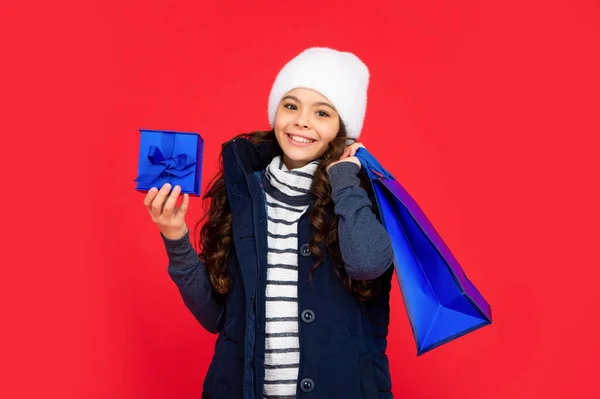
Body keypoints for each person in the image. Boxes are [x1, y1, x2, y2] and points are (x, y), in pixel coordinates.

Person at [143, 47, 395, 399]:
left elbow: (367, 264)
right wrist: (175, 237)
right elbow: (216, 317)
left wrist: (345, 180)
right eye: (290, 105)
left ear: (342, 128)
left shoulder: (358, 197)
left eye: (322, 112)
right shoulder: (243, 194)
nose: (301, 121)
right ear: (275, 112)